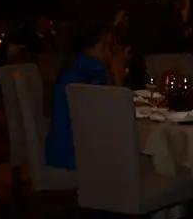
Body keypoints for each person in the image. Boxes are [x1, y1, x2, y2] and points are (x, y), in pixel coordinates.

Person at [45, 21, 130, 170]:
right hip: (81, 160)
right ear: (102, 44)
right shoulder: (95, 74)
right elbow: (117, 118)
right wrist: (117, 75)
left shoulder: (74, 69)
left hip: (59, 153)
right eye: (112, 44)